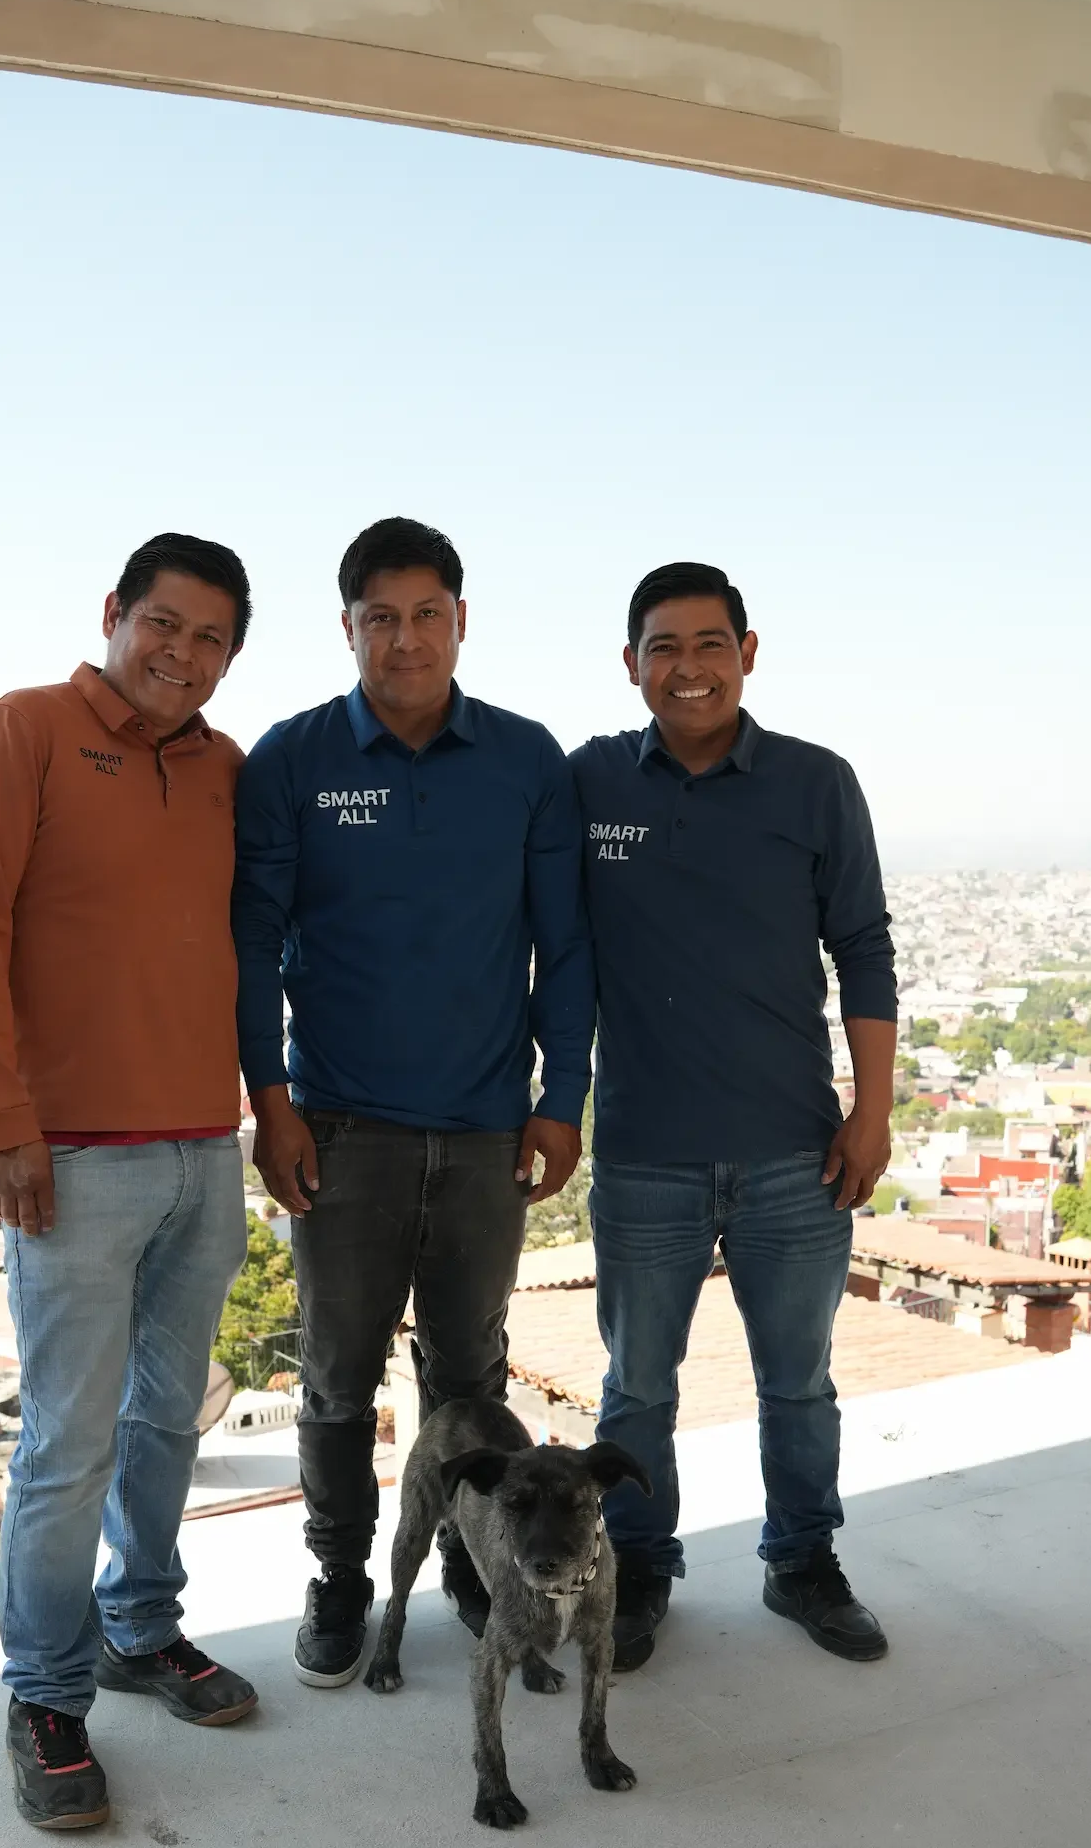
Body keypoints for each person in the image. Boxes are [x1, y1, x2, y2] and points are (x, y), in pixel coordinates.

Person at [0, 533, 260, 1833]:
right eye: (163, 625)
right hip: (70, 1157)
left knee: (170, 1417)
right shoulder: (24, 732)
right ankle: (47, 1693)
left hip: (201, 1151)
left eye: (211, 640)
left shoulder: (228, 771)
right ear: (114, 613)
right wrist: (2, 1123)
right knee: (67, 1443)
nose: (181, 655)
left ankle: (138, 1627)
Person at [233, 517, 596, 1688]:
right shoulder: (291, 760)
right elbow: (253, 943)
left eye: (425, 613)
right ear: (347, 628)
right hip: (342, 1129)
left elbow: (566, 945)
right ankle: (341, 1578)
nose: (404, 639)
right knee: (338, 1380)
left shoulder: (525, 759)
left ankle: (469, 1564)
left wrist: (561, 1096)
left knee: (468, 1382)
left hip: (490, 1126)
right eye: (378, 618)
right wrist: (271, 1101)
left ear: (461, 620)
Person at [571, 561, 897, 1673]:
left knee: (797, 1382)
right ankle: (637, 1568)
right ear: (631, 666)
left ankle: (803, 1558)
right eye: (664, 647)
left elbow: (864, 948)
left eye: (710, 643)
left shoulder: (816, 784)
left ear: (748, 653)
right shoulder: (590, 783)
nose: (688, 667)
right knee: (637, 1390)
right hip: (644, 1153)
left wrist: (874, 1111)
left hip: (792, 1150)